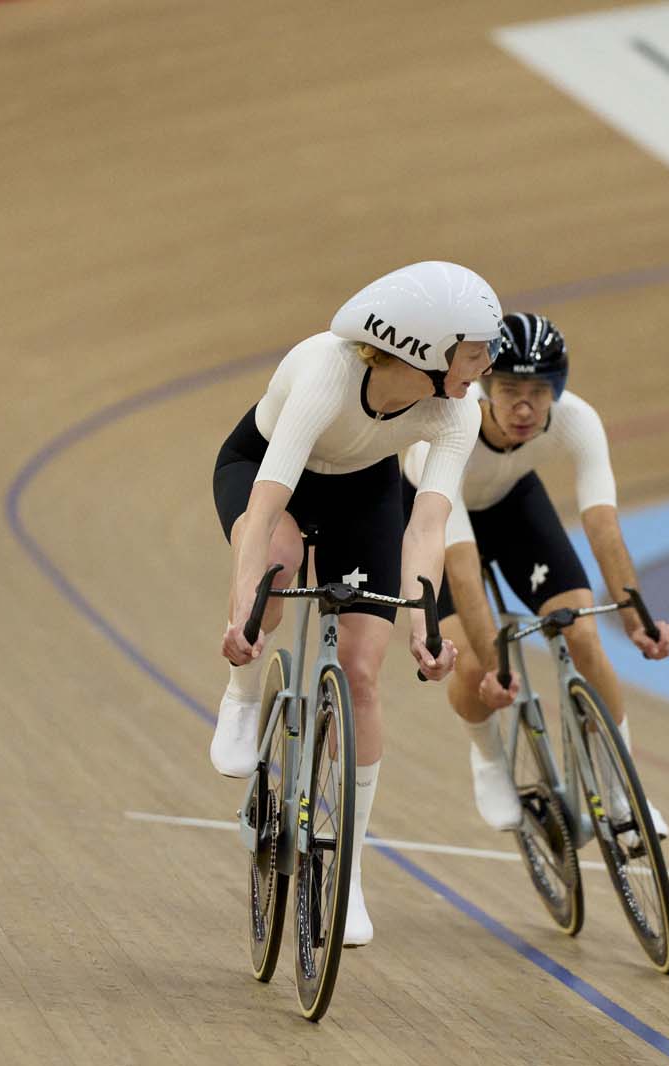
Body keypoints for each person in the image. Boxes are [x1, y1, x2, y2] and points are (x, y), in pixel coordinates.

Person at [210, 260, 503, 947]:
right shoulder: (324, 371)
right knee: (276, 568)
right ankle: (242, 696)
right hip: (266, 472)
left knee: (364, 677)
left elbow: (426, 524)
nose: (485, 363)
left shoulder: (456, 404)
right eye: (473, 350)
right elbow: (267, 501)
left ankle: (349, 874)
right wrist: (243, 608)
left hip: (363, 491)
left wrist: (425, 627)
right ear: (424, 351)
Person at [401, 312, 669, 835]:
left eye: (539, 392)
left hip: (512, 504)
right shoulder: (443, 437)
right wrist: (498, 667)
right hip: (434, 519)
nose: (525, 409)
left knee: (584, 632)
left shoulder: (578, 420)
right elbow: (461, 569)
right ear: (484, 386)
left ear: (558, 389)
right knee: (475, 664)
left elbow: (603, 526)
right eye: (508, 390)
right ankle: (488, 759)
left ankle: (623, 790)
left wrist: (634, 614)